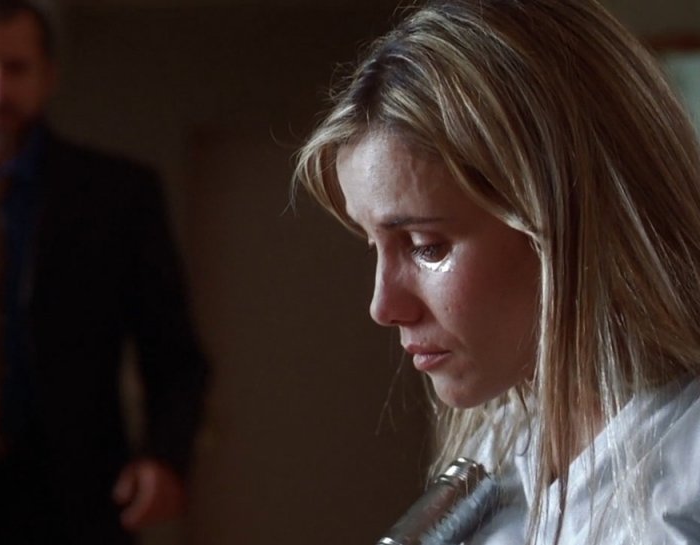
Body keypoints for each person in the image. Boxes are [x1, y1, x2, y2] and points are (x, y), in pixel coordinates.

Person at [294, 1, 700, 544]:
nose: (383, 307)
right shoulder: (499, 453)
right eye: (375, 246)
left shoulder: (684, 478)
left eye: (426, 247)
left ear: (569, 221)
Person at [0, 0, 208, 543]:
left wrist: (164, 456)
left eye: (15, 68)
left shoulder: (120, 194)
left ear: (48, 76)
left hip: (69, 494)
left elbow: (174, 353)